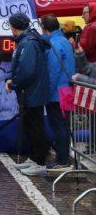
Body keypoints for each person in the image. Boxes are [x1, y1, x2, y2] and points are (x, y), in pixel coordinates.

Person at [5, 13, 51, 177]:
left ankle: (40, 163)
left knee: (35, 127)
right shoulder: (26, 40)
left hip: (32, 92)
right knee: (30, 127)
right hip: (30, 91)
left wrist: (14, 83)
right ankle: (33, 158)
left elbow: (26, 70)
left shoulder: (28, 43)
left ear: (14, 27)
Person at [40, 15, 75, 172]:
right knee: (64, 125)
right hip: (67, 90)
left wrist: (46, 92)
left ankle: (62, 160)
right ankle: (63, 158)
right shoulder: (64, 40)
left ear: (44, 28)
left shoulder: (53, 43)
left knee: (59, 126)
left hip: (57, 93)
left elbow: (52, 72)